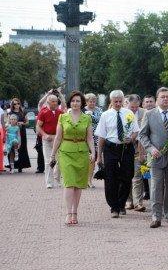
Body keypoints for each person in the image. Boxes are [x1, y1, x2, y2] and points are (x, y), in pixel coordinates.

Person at [139, 87, 168, 228]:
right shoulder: (149, 114)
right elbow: (142, 135)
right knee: (156, 187)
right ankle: (156, 216)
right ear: (157, 99)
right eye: (162, 97)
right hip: (156, 157)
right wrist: (151, 149)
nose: (165, 99)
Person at [50, 91, 94, 225]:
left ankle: (75, 212)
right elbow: (58, 137)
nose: (75, 103)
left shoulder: (87, 118)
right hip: (66, 152)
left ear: (82, 103)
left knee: (79, 185)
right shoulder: (62, 117)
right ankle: (69, 214)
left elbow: (89, 137)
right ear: (70, 102)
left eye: (78, 101)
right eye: (73, 101)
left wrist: (93, 152)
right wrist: (53, 155)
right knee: (69, 183)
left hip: (82, 152)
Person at [95, 90, 140, 217]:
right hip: (111, 148)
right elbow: (102, 136)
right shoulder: (105, 115)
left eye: (120, 101)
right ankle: (114, 206)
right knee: (111, 178)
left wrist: (131, 138)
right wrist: (99, 156)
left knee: (127, 176)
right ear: (111, 101)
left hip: (126, 148)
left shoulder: (129, 113)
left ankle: (122, 203)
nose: (118, 103)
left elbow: (136, 131)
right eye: (116, 101)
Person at [35, 94, 63, 188]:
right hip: (47, 140)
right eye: (53, 101)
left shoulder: (60, 112)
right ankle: (49, 182)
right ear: (48, 102)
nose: (55, 103)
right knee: (48, 161)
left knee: (59, 161)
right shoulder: (43, 112)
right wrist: (45, 135)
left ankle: (57, 180)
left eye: (56, 101)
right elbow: (38, 126)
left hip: (58, 139)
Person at [126, 94, 147, 210]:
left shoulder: (144, 113)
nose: (134, 109)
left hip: (140, 148)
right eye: (132, 107)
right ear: (128, 104)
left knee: (137, 175)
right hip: (126, 148)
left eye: (136, 107)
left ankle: (138, 202)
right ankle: (129, 201)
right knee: (127, 175)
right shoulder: (124, 113)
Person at [6, 98, 31, 172]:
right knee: (11, 149)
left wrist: (22, 123)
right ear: (12, 105)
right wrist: (10, 125)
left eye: (18, 103)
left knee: (22, 148)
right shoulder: (10, 113)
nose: (16, 105)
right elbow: (7, 122)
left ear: (20, 104)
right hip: (12, 133)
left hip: (22, 132)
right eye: (14, 104)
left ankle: (20, 166)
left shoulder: (23, 112)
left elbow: (27, 122)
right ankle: (12, 166)